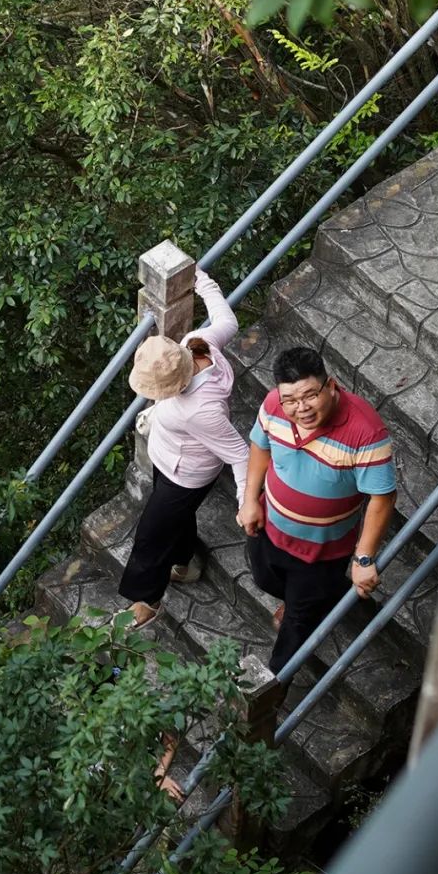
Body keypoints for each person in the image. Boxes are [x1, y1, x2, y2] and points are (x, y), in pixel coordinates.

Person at [236, 345, 397, 675]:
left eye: (310, 395)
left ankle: (271, 691)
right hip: (269, 526)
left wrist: (364, 558)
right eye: (291, 400)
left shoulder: (366, 432)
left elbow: (382, 498)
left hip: (321, 552)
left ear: (332, 385)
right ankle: (303, 600)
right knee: (264, 578)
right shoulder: (273, 406)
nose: (301, 408)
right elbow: (259, 444)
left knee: (297, 623)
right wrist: (250, 499)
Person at [119, 269, 249, 630]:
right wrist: (204, 282)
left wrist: (246, 501)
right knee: (176, 518)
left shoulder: (200, 410)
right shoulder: (197, 343)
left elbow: (239, 453)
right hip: (171, 458)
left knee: (150, 535)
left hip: (186, 474)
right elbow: (227, 320)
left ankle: (147, 600)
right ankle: (186, 563)